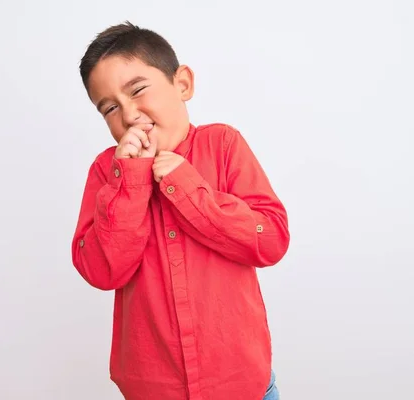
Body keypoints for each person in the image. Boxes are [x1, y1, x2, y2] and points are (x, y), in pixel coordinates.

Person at [71, 21, 290, 400]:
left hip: (241, 383)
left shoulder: (223, 144)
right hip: (154, 389)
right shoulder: (107, 172)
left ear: (182, 84)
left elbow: (270, 239)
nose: (128, 115)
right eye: (109, 108)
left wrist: (187, 186)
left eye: (138, 90)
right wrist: (130, 182)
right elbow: (103, 270)